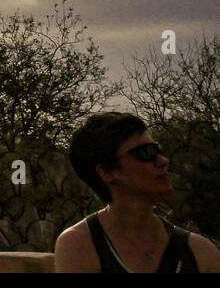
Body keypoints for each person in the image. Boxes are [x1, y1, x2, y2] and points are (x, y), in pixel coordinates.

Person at [54, 112, 219, 273]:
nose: (162, 161)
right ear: (107, 172)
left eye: (158, 150)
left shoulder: (200, 253)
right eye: (146, 153)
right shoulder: (80, 245)